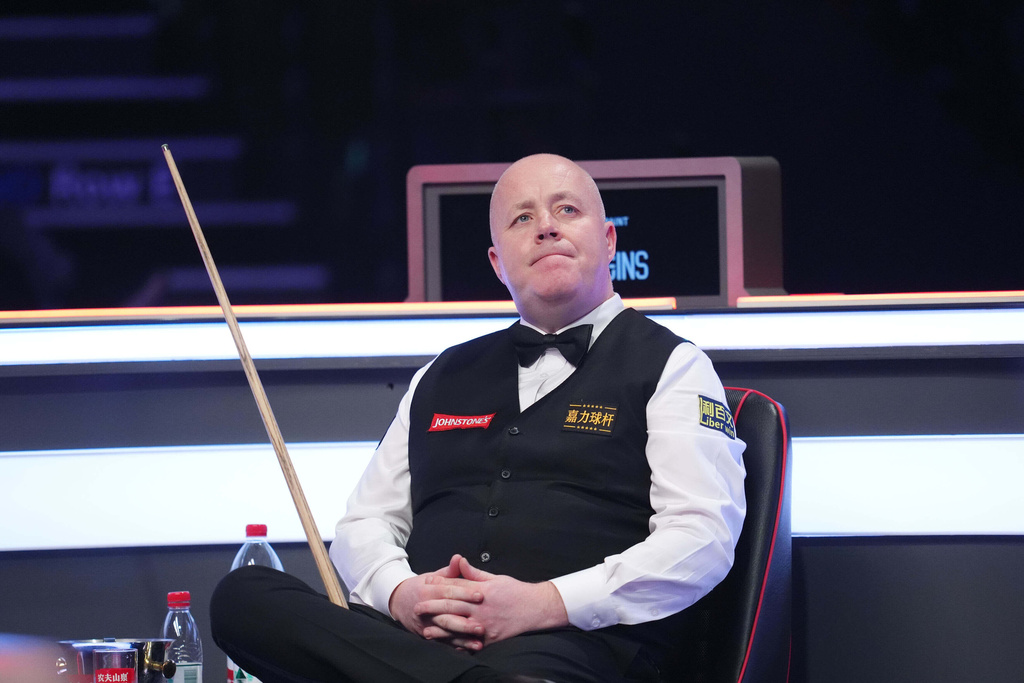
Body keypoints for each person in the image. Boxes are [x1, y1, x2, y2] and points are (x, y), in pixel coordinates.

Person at [211, 153, 746, 683]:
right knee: (244, 597)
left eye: (566, 211)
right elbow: (365, 523)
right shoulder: (440, 375)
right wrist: (403, 594)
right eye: (523, 218)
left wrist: (544, 603)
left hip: (571, 647)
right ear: (497, 262)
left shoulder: (674, 366)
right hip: (412, 640)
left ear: (608, 241)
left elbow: (702, 536)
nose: (546, 229)